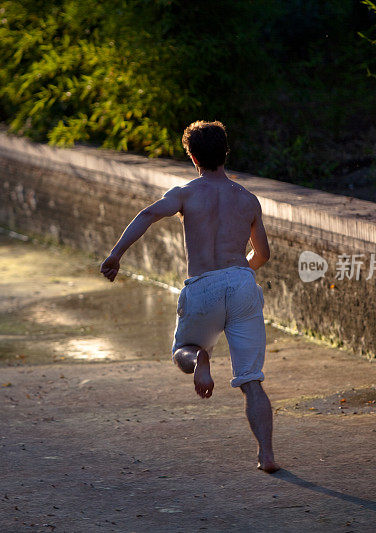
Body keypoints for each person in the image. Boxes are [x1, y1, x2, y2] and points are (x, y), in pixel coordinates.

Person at [100, 120, 279, 473]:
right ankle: (267, 455)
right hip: (242, 283)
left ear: (193, 157)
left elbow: (149, 214)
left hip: (203, 285)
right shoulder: (248, 200)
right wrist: (238, 272)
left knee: (181, 350)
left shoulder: (186, 193)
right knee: (251, 379)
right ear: (225, 153)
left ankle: (199, 358)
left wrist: (115, 254)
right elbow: (262, 255)